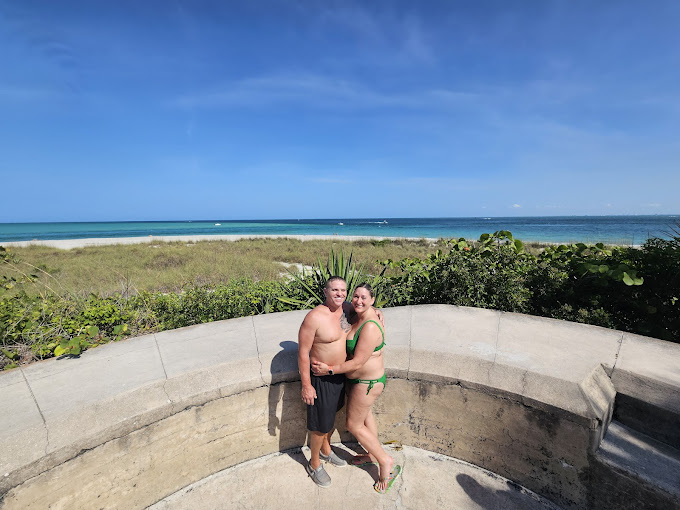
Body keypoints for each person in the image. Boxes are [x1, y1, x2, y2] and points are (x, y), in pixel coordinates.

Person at [311, 283, 401, 494]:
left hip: (367, 383)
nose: (358, 301)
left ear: (372, 299)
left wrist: (329, 369)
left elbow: (358, 362)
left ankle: (384, 461)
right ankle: (371, 454)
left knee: (354, 424)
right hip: (359, 382)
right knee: (366, 417)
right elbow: (341, 307)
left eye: (364, 298)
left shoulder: (369, 326)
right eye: (356, 297)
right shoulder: (357, 313)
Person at [298, 276, 383, 488]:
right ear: (325, 291)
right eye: (334, 290)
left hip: (339, 375)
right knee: (319, 425)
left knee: (330, 418)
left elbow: (366, 309)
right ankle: (314, 463)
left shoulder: (346, 309)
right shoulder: (314, 317)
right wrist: (307, 385)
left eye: (343, 290)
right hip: (321, 378)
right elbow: (303, 353)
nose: (340, 294)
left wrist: (380, 312)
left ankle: (326, 451)